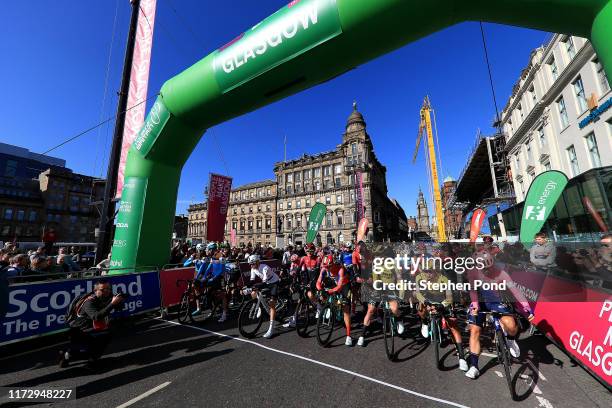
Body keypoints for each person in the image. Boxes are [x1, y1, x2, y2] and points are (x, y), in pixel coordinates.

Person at [465, 251, 534, 379]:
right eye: (483, 268)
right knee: (475, 330)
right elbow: (473, 291)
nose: (486, 270)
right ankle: (474, 366)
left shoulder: (501, 273)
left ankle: (511, 340)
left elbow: (516, 292)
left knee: (511, 325)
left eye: (489, 267)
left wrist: (526, 308)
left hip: (497, 301)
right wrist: (475, 306)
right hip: (480, 302)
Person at [58, 279, 125, 368]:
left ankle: (70, 355)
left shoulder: (106, 298)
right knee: (106, 335)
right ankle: (74, 356)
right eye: (102, 289)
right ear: (95, 290)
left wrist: (119, 302)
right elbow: (96, 317)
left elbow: (119, 308)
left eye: (108, 289)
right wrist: (112, 304)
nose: (106, 291)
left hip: (90, 328)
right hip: (79, 331)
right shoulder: (89, 301)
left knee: (107, 334)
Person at [415, 262, 467, 371]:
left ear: (436, 271)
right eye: (425, 272)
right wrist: (426, 302)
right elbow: (418, 294)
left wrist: (441, 306)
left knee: (452, 324)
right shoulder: (419, 278)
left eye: (430, 271)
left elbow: (449, 298)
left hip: (443, 299)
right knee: (420, 308)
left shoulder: (444, 279)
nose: (427, 274)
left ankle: (462, 357)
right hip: (428, 297)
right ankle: (424, 322)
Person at [317, 254, 353, 346]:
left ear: (333, 264)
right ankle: (329, 307)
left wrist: (331, 290)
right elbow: (318, 282)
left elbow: (340, 286)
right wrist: (320, 289)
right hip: (334, 282)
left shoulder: (340, 269)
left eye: (329, 266)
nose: (327, 268)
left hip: (344, 284)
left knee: (345, 308)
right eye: (325, 267)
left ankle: (348, 336)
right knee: (322, 293)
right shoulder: (324, 269)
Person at [247, 254, 280, 338]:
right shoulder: (253, 268)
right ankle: (258, 308)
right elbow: (252, 280)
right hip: (266, 282)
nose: (251, 265)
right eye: (250, 264)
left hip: (274, 282)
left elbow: (264, 282)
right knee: (253, 293)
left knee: (272, 303)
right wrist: (245, 287)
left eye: (253, 263)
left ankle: (271, 329)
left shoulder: (264, 267)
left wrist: (256, 286)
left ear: (257, 262)